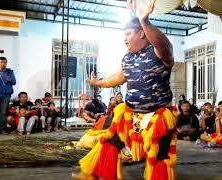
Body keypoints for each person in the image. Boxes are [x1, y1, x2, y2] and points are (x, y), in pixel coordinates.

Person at [76, 1, 177, 179]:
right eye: (124, 34)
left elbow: (165, 46)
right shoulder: (128, 57)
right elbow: (119, 77)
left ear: (141, 33)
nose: (124, 38)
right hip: (129, 115)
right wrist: (98, 83)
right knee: (108, 142)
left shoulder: (158, 52)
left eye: (128, 33)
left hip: (158, 118)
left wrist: (145, 21)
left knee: (159, 157)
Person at [0, 57, 16, 134]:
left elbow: (14, 82)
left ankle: (2, 129)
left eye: (5, 62)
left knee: (3, 113)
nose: (3, 64)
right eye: (1, 62)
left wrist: (10, 80)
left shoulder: (10, 71)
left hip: (6, 96)